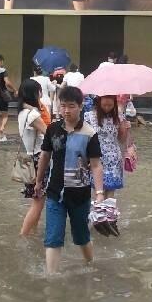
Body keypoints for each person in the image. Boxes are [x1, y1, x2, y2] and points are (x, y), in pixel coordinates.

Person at [34, 85, 103, 277]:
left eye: (71, 106)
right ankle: (51, 278)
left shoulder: (89, 133)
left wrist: (99, 194)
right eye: (62, 105)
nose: (66, 110)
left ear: (80, 106)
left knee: (81, 237)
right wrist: (38, 182)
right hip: (55, 193)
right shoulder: (53, 129)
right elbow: (45, 156)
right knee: (53, 237)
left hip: (80, 194)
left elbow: (96, 165)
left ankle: (91, 266)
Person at [17, 79, 48, 236]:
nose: (41, 94)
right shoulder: (33, 114)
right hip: (37, 160)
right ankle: (24, 235)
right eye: (39, 91)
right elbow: (48, 134)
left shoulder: (22, 112)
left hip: (27, 159)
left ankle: (33, 234)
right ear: (35, 93)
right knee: (38, 203)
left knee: (37, 201)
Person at [84, 95, 130, 198]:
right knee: (98, 191)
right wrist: (86, 158)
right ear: (99, 103)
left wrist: (125, 128)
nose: (107, 107)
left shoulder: (118, 116)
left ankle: (109, 213)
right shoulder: (89, 116)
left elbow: (122, 139)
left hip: (113, 157)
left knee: (110, 192)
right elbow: (85, 139)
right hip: (96, 157)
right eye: (104, 105)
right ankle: (99, 213)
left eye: (110, 105)